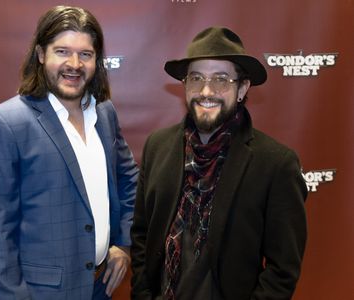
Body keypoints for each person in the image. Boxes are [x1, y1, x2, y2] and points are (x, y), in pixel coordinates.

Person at [0, 6, 138, 300]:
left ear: (97, 60)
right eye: (62, 51)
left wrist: (123, 243)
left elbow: (128, 180)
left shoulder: (104, 113)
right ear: (41, 54)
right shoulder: (2, 124)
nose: (74, 64)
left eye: (85, 54)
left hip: (100, 285)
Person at [130, 27, 307, 300]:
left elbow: (282, 270)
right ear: (185, 85)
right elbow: (142, 236)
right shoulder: (158, 146)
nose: (206, 91)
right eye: (196, 78)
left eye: (221, 80)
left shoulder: (275, 164)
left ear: (242, 88)